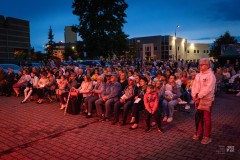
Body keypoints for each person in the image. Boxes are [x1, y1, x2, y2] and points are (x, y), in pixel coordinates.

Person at [191, 58, 216, 145]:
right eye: (200, 64)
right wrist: (194, 95)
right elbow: (194, 86)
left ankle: (207, 136)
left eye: (203, 64)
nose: (201, 66)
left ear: (208, 65)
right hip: (197, 99)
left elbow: (208, 89)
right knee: (198, 117)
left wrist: (199, 96)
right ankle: (199, 133)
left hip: (207, 99)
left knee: (206, 118)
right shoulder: (198, 75)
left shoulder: (211, 75)